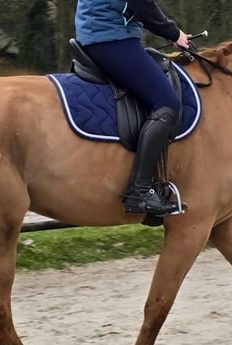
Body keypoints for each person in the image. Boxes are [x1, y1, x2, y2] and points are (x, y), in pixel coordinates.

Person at [75, 0, 191, 217]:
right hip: (110, 37)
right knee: (167, 102)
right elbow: (142, 5)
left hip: (100, 33)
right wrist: (174, 34)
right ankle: (140, 191)